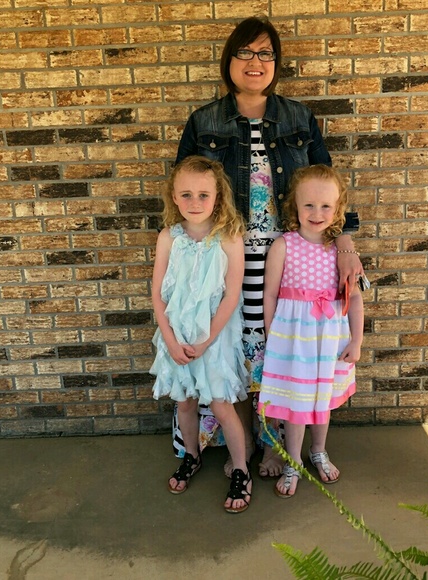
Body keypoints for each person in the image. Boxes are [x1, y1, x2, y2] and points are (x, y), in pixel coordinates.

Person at [173, 16, 364, 479]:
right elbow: (185, 192)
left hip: (289, 254)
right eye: (244, 52)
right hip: (226, 254)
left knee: (277, 350)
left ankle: (276, 444)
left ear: (276, 63)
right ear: (229, 61)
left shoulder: (298, 117)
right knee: (235, 348)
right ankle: (240, 444)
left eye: (265, 53)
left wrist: (346, 243)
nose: (254, 62)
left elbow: (328, 185)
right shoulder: (204, 121)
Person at [150, 156, 252, 514]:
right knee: (185, 402)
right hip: (177, 336)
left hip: (214, 338)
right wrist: (170, 340)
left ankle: (241, 470)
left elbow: (232, 295)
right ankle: (191, 455)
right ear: (174, 197)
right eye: (187, 195)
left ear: (218, 197)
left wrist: (206, 342)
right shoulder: (169, 238)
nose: (195, 202)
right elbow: (157, 293)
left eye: (203, 195)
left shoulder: (229, 238)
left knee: (221, 404)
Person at [258, 165, 364, 498]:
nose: (317, 213)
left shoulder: (342, 253)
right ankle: (293, 462)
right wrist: (272, 335)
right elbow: (270, 294)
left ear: (338, 209)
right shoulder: (284, 246)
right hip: (294, 342)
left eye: (325, 206)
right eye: (308, 205)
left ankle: (318, 451)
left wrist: (357, 340)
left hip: (329, 340)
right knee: (297, 403)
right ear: (295, 205)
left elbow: (355, 298)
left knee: (322, 399)